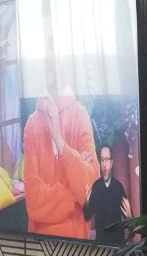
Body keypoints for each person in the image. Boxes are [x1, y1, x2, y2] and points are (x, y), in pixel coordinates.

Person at [22, 85, 99, 239]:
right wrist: (73, 192)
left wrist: (59, 141)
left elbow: (91, 195)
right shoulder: (32, 124)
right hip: (40, 242)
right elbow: (34, 203)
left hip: (76, 243)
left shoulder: (80, 115)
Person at [84, 145, 132, 245]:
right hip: (101, 244)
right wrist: (87, 201)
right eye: (102, 160)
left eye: (107, 159)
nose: (104, 164)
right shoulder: (96, 186)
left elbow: (131, 225)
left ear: (111, 163)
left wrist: (129, 216)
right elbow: (87, 216)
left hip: (118, 243)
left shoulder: (118, 187)